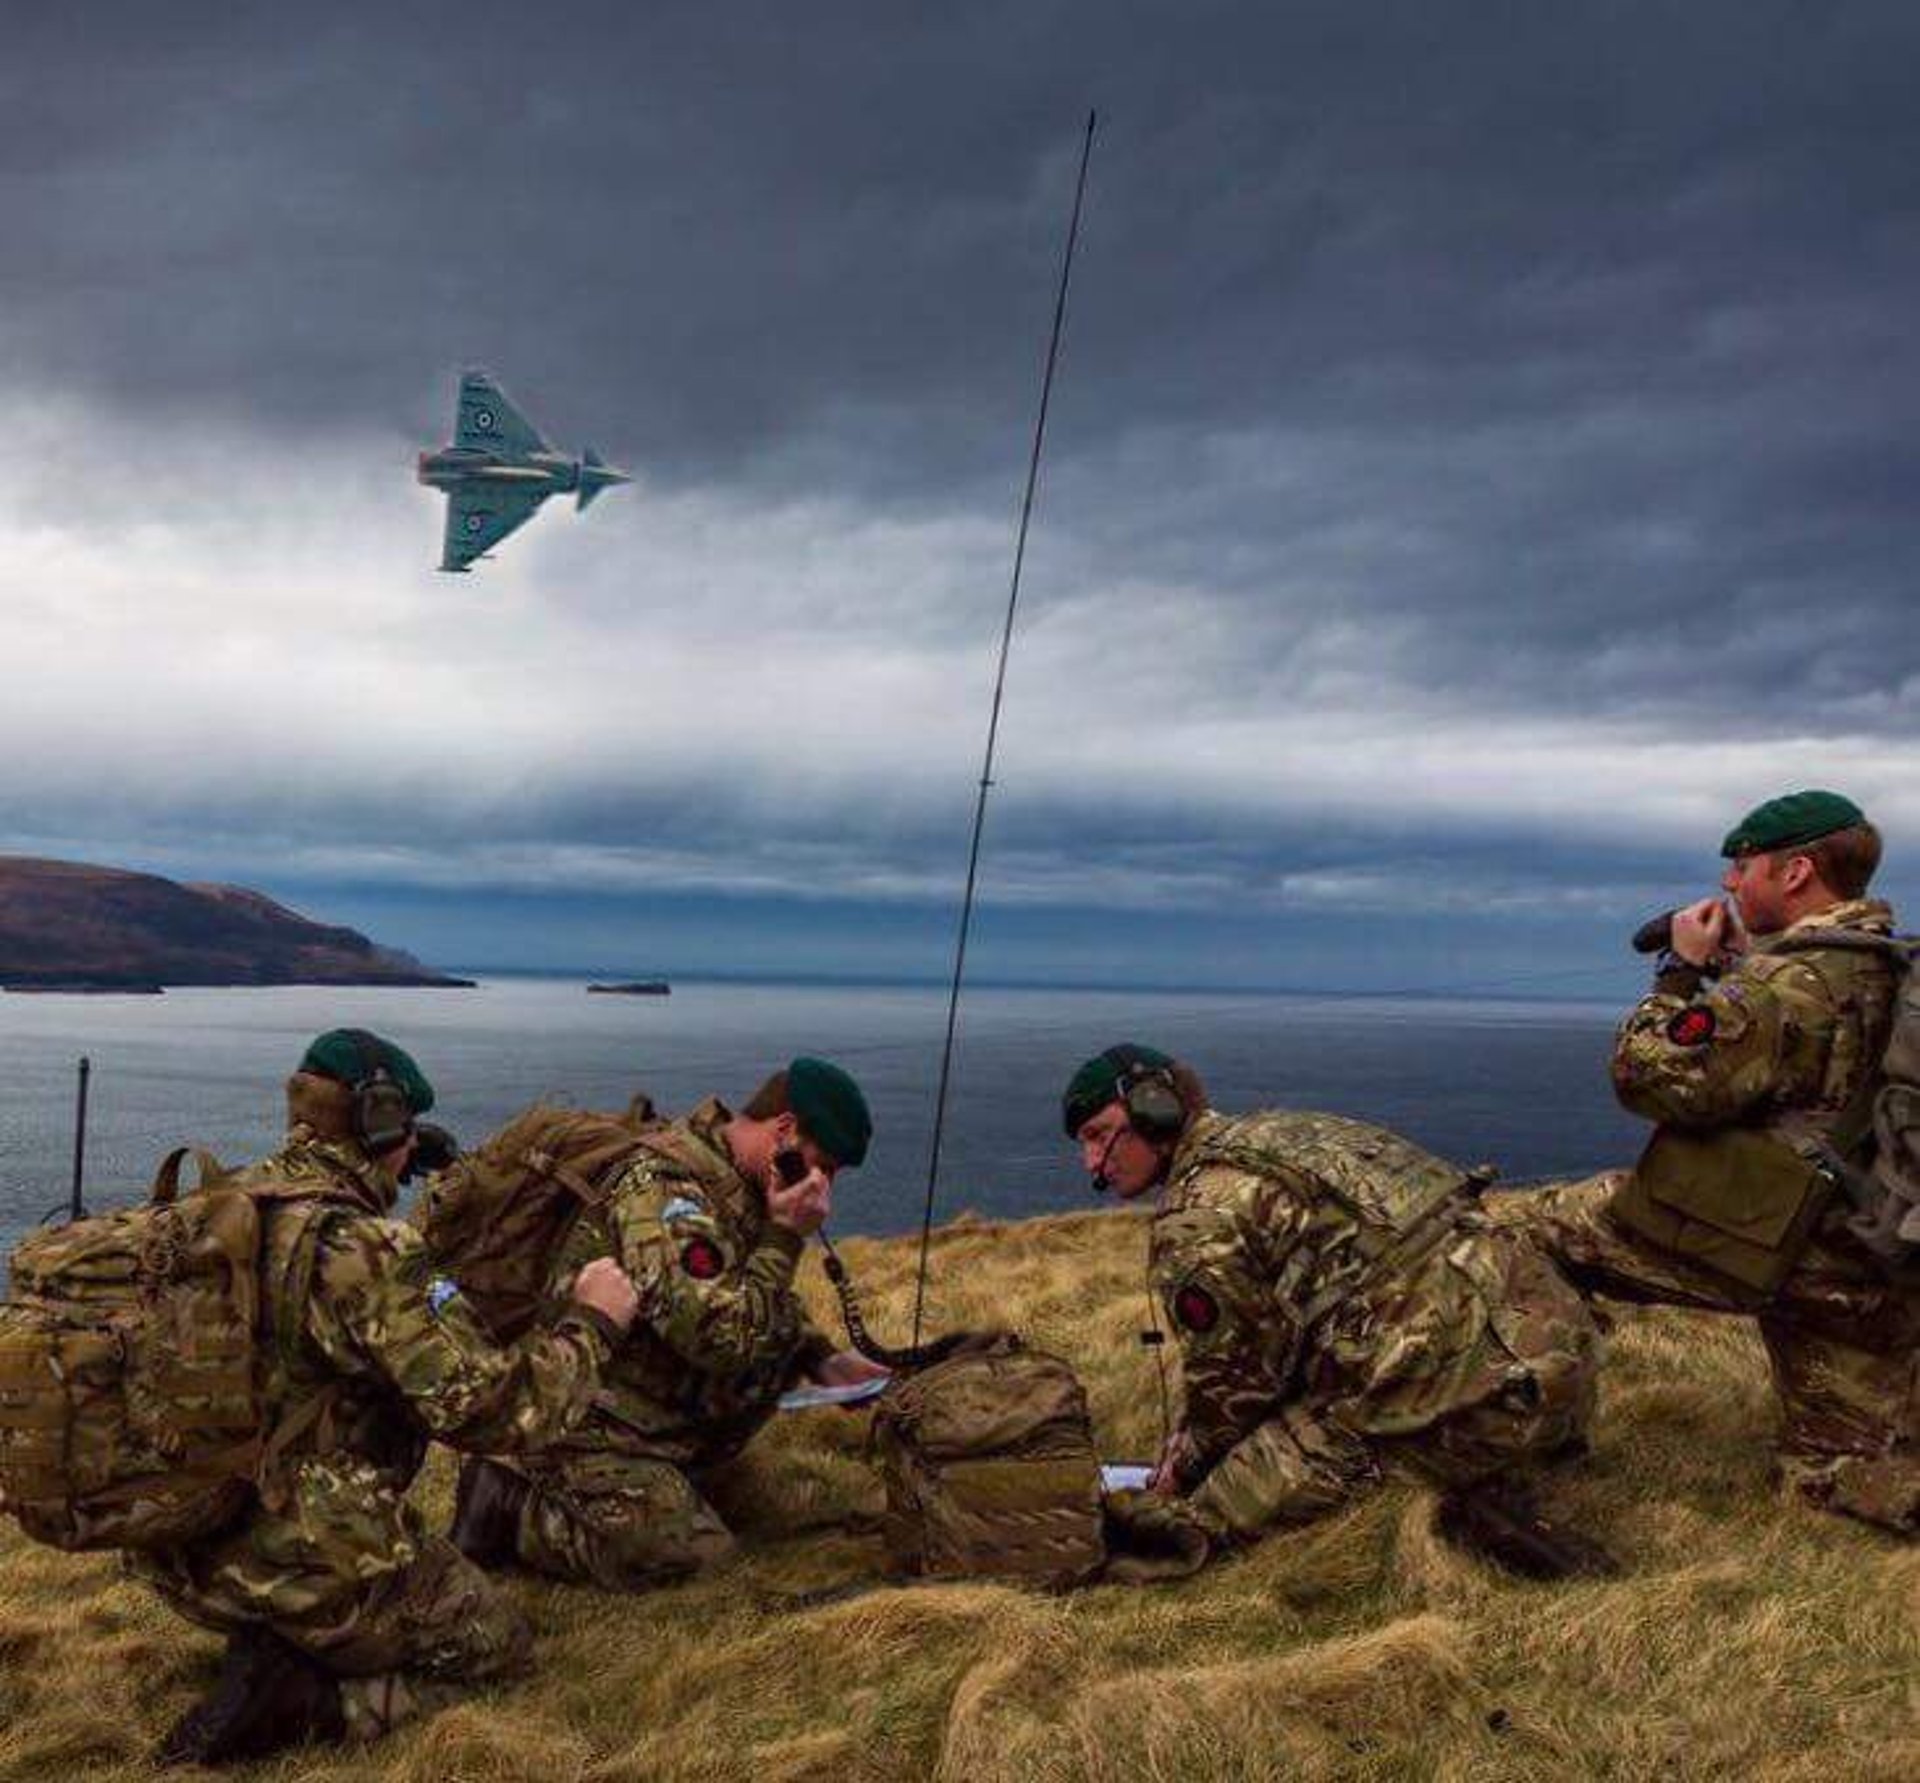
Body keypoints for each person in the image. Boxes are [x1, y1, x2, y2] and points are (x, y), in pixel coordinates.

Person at [141, 1028, 642, 1767]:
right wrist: (593, 1322)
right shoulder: (365, 1249)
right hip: (298, 1561)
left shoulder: (216, 1208)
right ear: (377, 1120)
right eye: (401, 1132)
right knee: (497, 1643)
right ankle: (306, 1701)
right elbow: (495, 1412)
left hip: (184, 1555)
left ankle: (289, 1631)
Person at [1507, 790, 1917, 1534]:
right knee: (1838, 1486)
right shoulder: (1892, 966)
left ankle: (1534, 1438)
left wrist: (1681, 970)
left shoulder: (1778, 985)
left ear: (1795, 873)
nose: (1731, 883)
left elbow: (1649, 1077)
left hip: (1774, 1247)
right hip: (1872, 1252)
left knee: (1522, 1234)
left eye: (1742, 865)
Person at [1062, 1045, 1607, 1575]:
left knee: (1204, 1515)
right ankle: (1482, 1457)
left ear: (1154, 1111)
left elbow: (1236, 1391)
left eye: (1097, 1136)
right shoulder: (1292, 1131)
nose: (1092, 1163)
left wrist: (1181, 1474)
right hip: (1562, 1360)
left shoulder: (1197, 1218)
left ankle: (1464, 1502)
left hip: (1480, 1403)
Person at [449, 1056, 889, 1589]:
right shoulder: (665, 1191)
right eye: (826, 1165)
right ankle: (509, 1505)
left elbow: (745, 1293)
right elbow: (718, 1338)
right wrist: (786, 1235)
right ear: (786, 1131)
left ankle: (671, 1475)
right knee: (691, 1558)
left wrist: (820, 1358)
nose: (825, 1186)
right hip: (585, 1423)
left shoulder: (734, 1180)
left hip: (657, 1418)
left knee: (746, 1509)